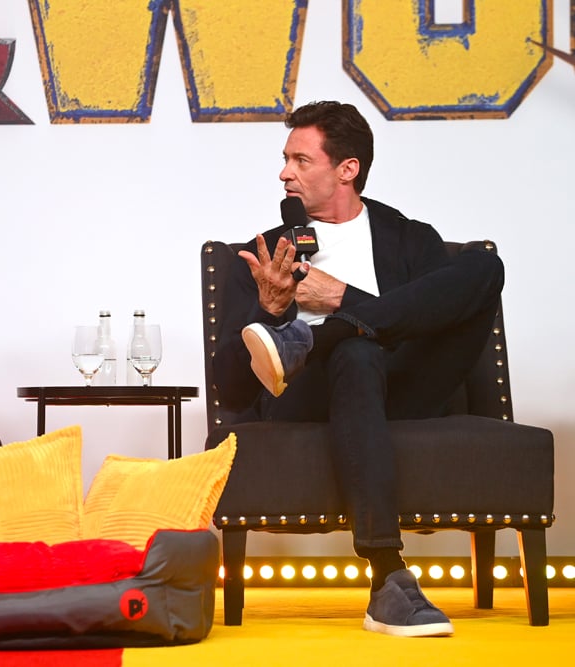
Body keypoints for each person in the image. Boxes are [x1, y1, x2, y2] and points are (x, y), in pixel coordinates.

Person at [212, 100, 504, 637]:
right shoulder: (263, 256)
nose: (284, 172)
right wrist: (272, 310)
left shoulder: (410, 238)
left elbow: (438, 323)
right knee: (357, 353)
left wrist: (344, 302)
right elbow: (230, 383)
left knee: (484, 266)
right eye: (285, 159)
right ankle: (388, 577)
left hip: (409, 385)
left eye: (301, 160)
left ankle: (321, 339)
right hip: (309, 397)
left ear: (347, 169)